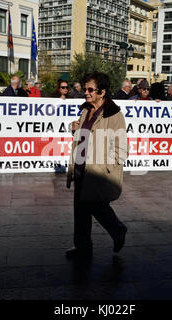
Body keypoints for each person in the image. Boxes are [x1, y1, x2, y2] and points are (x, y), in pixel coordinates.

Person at [66, 72, 128, 259]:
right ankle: (82, 247)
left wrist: (106, 168)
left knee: (97, 206)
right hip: (81, 167)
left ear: (102, 92)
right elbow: (83, 136)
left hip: (98, 171)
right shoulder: (86, 109)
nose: (86, 92)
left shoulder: (114, 114)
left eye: (90, 89)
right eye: (85, 89)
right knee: (81, 211)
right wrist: (74, 129)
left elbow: (121, 147)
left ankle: (118, 230)